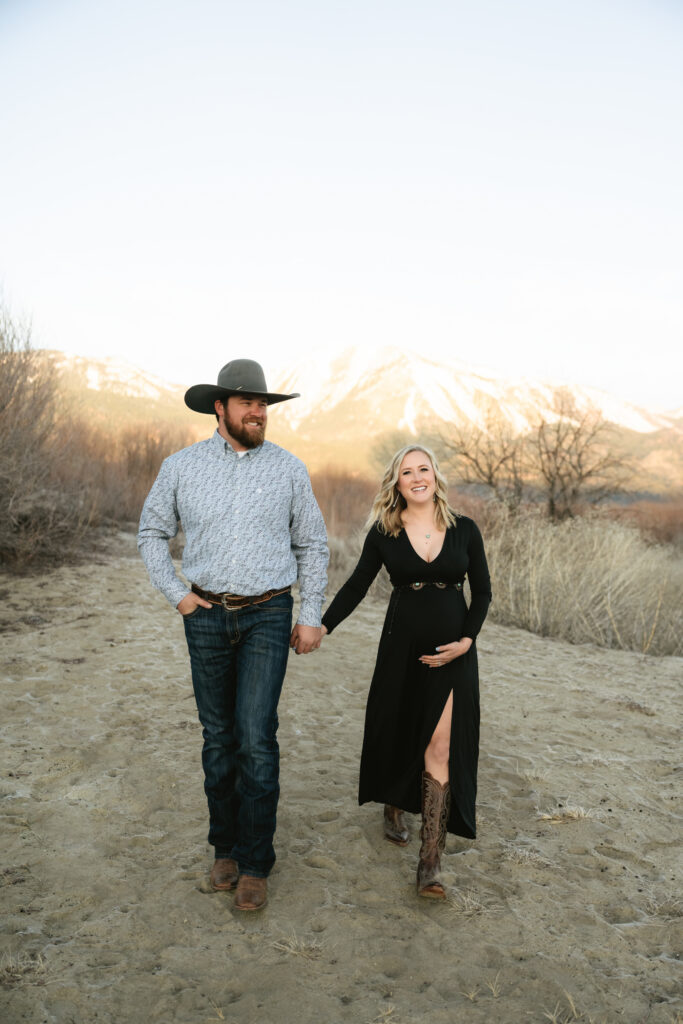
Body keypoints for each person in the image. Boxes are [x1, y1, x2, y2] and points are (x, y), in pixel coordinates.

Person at [137, 358, 328, 911]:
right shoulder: (180, 467)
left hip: (269, 613)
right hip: (206, 616)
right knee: (218, 737)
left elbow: (312, 544)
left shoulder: (290, 470)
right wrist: (176, 594)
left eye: (263, 403)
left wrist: (309, 613)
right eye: (247, 402)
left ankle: (254, 862)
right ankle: (224, 847)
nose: (258, 411)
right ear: (219, 407)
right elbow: (151, 531)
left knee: (255, 737)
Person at [320, 444, 491, 899]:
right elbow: (358, 584)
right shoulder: (384, 531)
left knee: (440, 745)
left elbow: (484, 594)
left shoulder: (466, 530)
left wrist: (466, 642)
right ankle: (394, 803)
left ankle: (429, 861)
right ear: (396, 483)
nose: (417, 478)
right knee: (399, 727)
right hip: (401, 646)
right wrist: (322, 625)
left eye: (424, 469)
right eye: (406, 472)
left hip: (453, 654)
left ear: (436, 476)